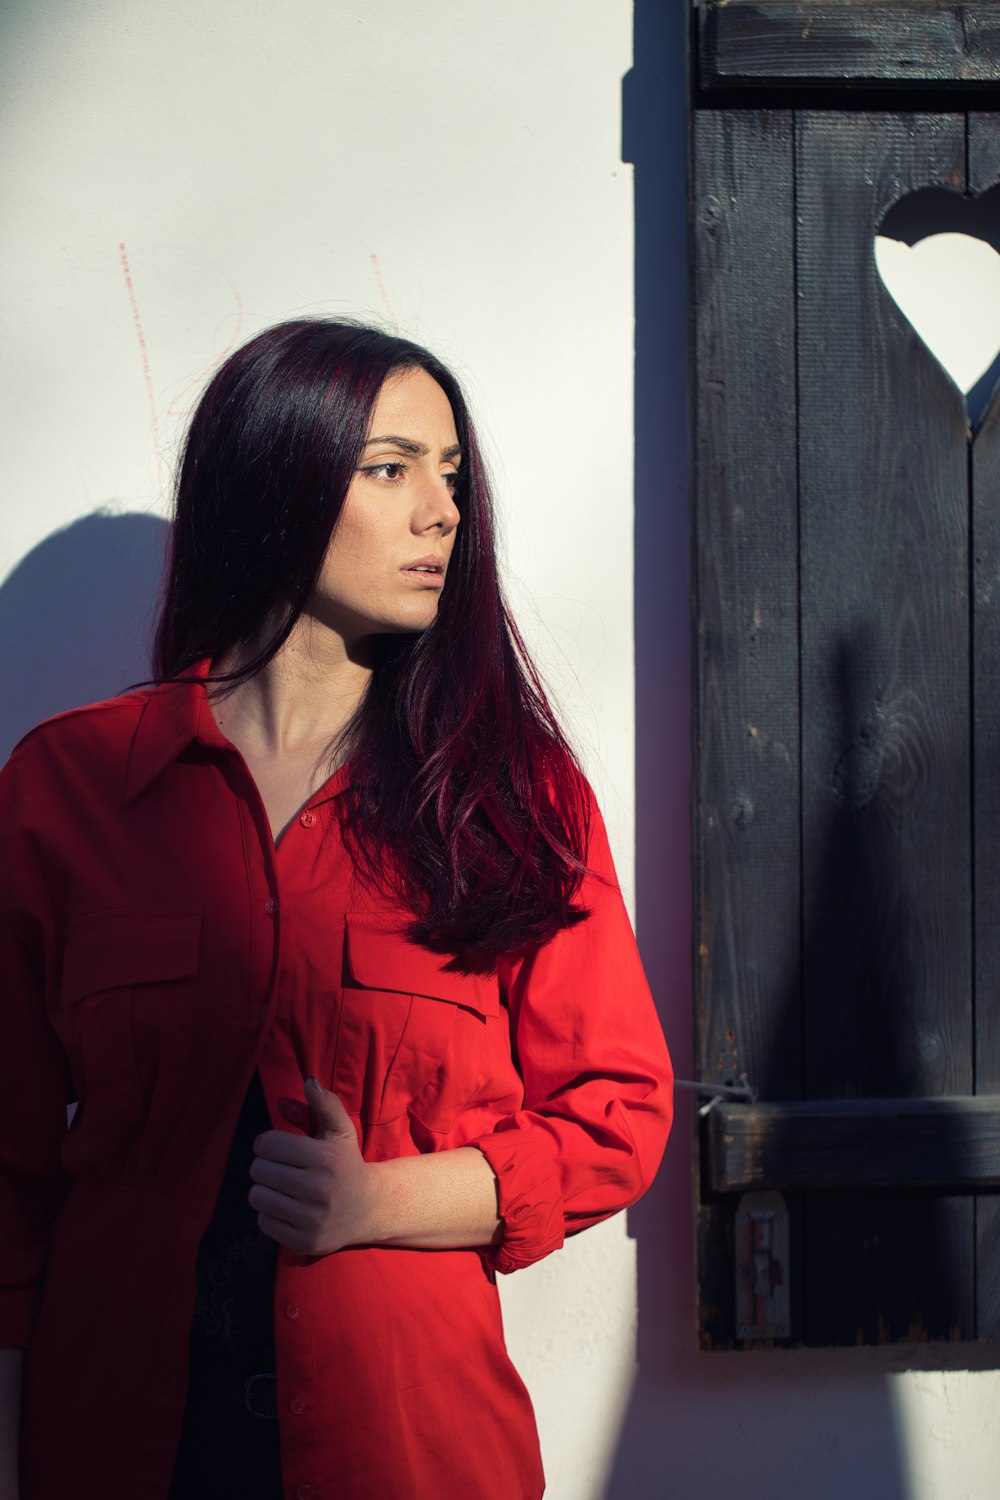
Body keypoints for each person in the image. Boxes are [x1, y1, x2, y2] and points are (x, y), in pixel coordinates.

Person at [0, 318, 672, 1500]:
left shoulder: (509, 800)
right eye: (392, 467)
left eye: (452, 475)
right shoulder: (65, 790)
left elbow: (617, 1111)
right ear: (275, 476)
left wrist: (385, 1199)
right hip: (112, 1437)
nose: (443, 512)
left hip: (404, 1446)